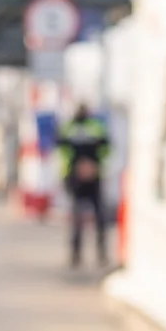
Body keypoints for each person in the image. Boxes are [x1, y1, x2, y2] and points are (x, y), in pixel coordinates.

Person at [56, 104, 113, 269]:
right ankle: (75, 254)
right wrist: (77, 166)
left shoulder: (95, 126)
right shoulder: (68, 127)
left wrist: (93, 166)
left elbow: (107, 148)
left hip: (94, 178)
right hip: (75, 178)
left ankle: (101, 254)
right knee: (77, 218)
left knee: (99, 218)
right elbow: (60, 148)